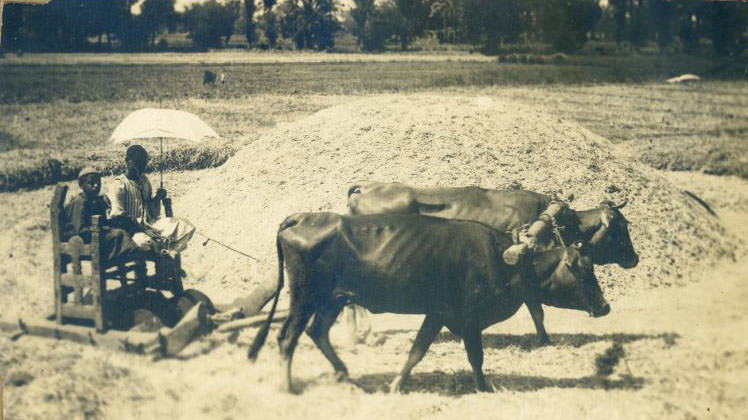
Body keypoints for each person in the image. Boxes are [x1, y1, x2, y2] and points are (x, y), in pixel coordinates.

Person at [64, 167, 141, 261]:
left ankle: (132, 253)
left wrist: (118, 221)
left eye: (98, 183)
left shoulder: (98, 201)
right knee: (119, 234)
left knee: (125, 225)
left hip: (97, 235)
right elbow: (80, 230)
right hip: (83, 240)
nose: (96, 186)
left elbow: (103, 222)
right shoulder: (80, 202)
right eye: (91, 183)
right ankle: (131, 253)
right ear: (81, 185)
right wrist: (103, 228)